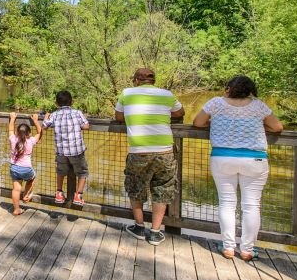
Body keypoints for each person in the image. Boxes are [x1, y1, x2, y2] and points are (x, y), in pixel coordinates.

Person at [192, 75, 283, 260]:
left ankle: (228, 247)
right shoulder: (258, 105)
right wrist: (259, 126)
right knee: (251, 205)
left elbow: (198, 123)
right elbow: (277, 127)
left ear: (229, 88)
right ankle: (248, 250)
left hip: (223, 157)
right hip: (255, 159)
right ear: (250, 90)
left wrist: (215, 123)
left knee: (227, 203)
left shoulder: (216, 103)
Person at [115, 68, 184, 246]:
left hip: (139, 151)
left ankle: (139, 227)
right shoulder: (166, 94)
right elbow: (179, 113)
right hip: (165, 151)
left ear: (137, 80)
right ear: (153, 80)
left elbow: (119, 117)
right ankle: (154, 232)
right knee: (162, 189)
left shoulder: (127, 93)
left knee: (135, 187)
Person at [42, 91, 90, 206]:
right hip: (77, 151)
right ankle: (78, 195)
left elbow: (44, 126)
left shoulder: (54, 115)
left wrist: (45, 117)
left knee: (60, 171)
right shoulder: (77, 113)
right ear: (72, 102)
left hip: (61, 152)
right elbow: (86, 126)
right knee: (82, 172)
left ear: (56, 103)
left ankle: (59, 192)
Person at [9, 113, 43, 215]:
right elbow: (40, 132)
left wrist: (12, 119)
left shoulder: (13, 139)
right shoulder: (31, 141)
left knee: (16, 189)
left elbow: (10, 130)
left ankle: (16, 209)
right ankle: (26, 195)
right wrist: (36, 121)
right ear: (29, 134)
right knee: (31, 178)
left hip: (14, 168)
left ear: (16, 133)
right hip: (26, 169)